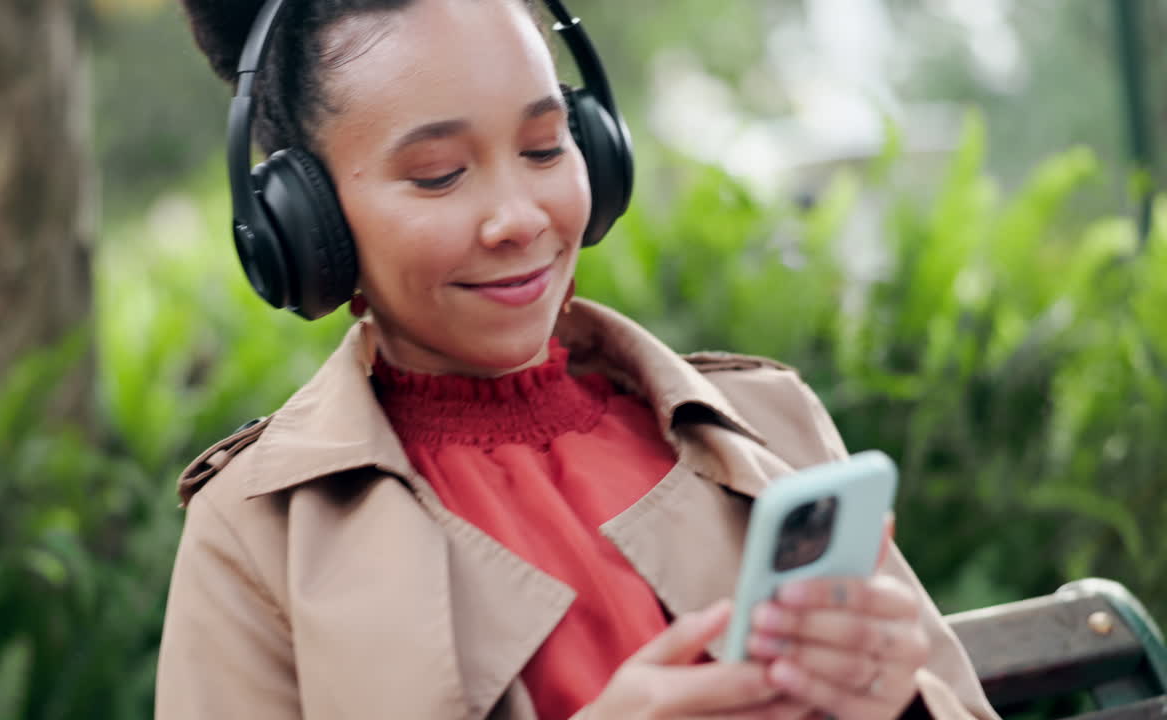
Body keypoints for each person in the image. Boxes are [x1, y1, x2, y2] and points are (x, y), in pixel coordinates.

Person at [155, 1, 1000, 718]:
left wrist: (901, 702)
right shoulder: (258, 531)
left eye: (545, 148)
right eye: (441, 175)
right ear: (307, 231)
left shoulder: (772, 427)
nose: (519, 217)